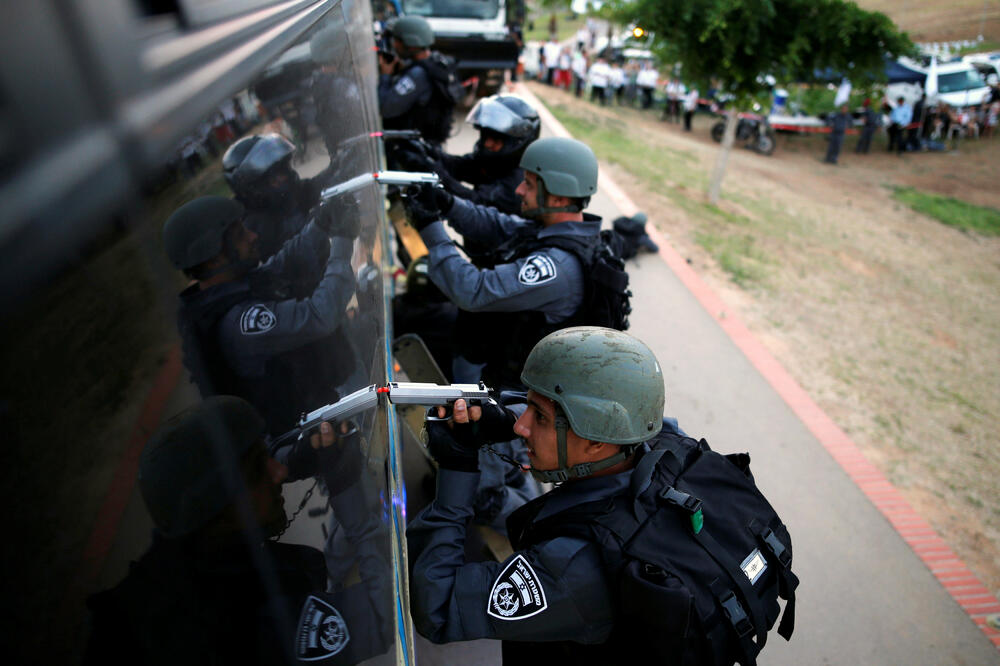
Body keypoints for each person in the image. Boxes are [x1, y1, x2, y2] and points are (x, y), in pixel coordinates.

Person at [407, 327, 678, 657]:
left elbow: (437, 605)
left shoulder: (574, 568)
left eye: (540, 418)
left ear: (595, 441)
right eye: (528, 408)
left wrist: (456, 469)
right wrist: (506, 417)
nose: (521, 428)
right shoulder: (656, 441)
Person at [85, 397, 391, 665]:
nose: (279, 472)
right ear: (215, 509)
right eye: (261, 470)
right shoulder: (249, 628)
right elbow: (384, 614)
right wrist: (348, 491)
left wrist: (299, 457)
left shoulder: (182, 549)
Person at [402, 137, 608, 389]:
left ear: (558, 199)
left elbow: (473, 290)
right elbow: (497, 224)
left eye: (529, 185)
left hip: (502, 388)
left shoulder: (557, 267)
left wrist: (428, 226)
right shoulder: (561, 230)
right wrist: (447, 203)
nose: (519, 190)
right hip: (491, 347)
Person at [163, 195, 358, 436]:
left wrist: (321, 223)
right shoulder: (240, 323)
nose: (252, 235)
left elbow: (283, 263)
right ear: (213, 259)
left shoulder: (232, 285)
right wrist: (343, 239)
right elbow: (320, 314)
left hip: (331, 396)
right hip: (329, 426)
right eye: (239, 236)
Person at [394, 94, 541, 216]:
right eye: (485, 136)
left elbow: (475, 203)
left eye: (496, 139)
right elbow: (460, 166)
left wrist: (436, 174)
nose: (487, 144)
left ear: (517, 142)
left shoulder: (519, 182)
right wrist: (426, 150)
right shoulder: (493, 160)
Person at [222, 133, 341, 260]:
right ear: (254, 185)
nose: (287, 175)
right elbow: (296, 235)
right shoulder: (255, 226)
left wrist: (338, 167)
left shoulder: (278, 199)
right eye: (277, 173)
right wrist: (323, 215)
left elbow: (309, 189)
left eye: (285, 167)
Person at [378, 16, 457, 147]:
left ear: (410, 43)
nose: (394, 44)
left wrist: (385, 76)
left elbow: (386, 108)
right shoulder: (436, 61)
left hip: (411, 149)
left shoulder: (418, 74)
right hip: (428, 144)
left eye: (397, 40)